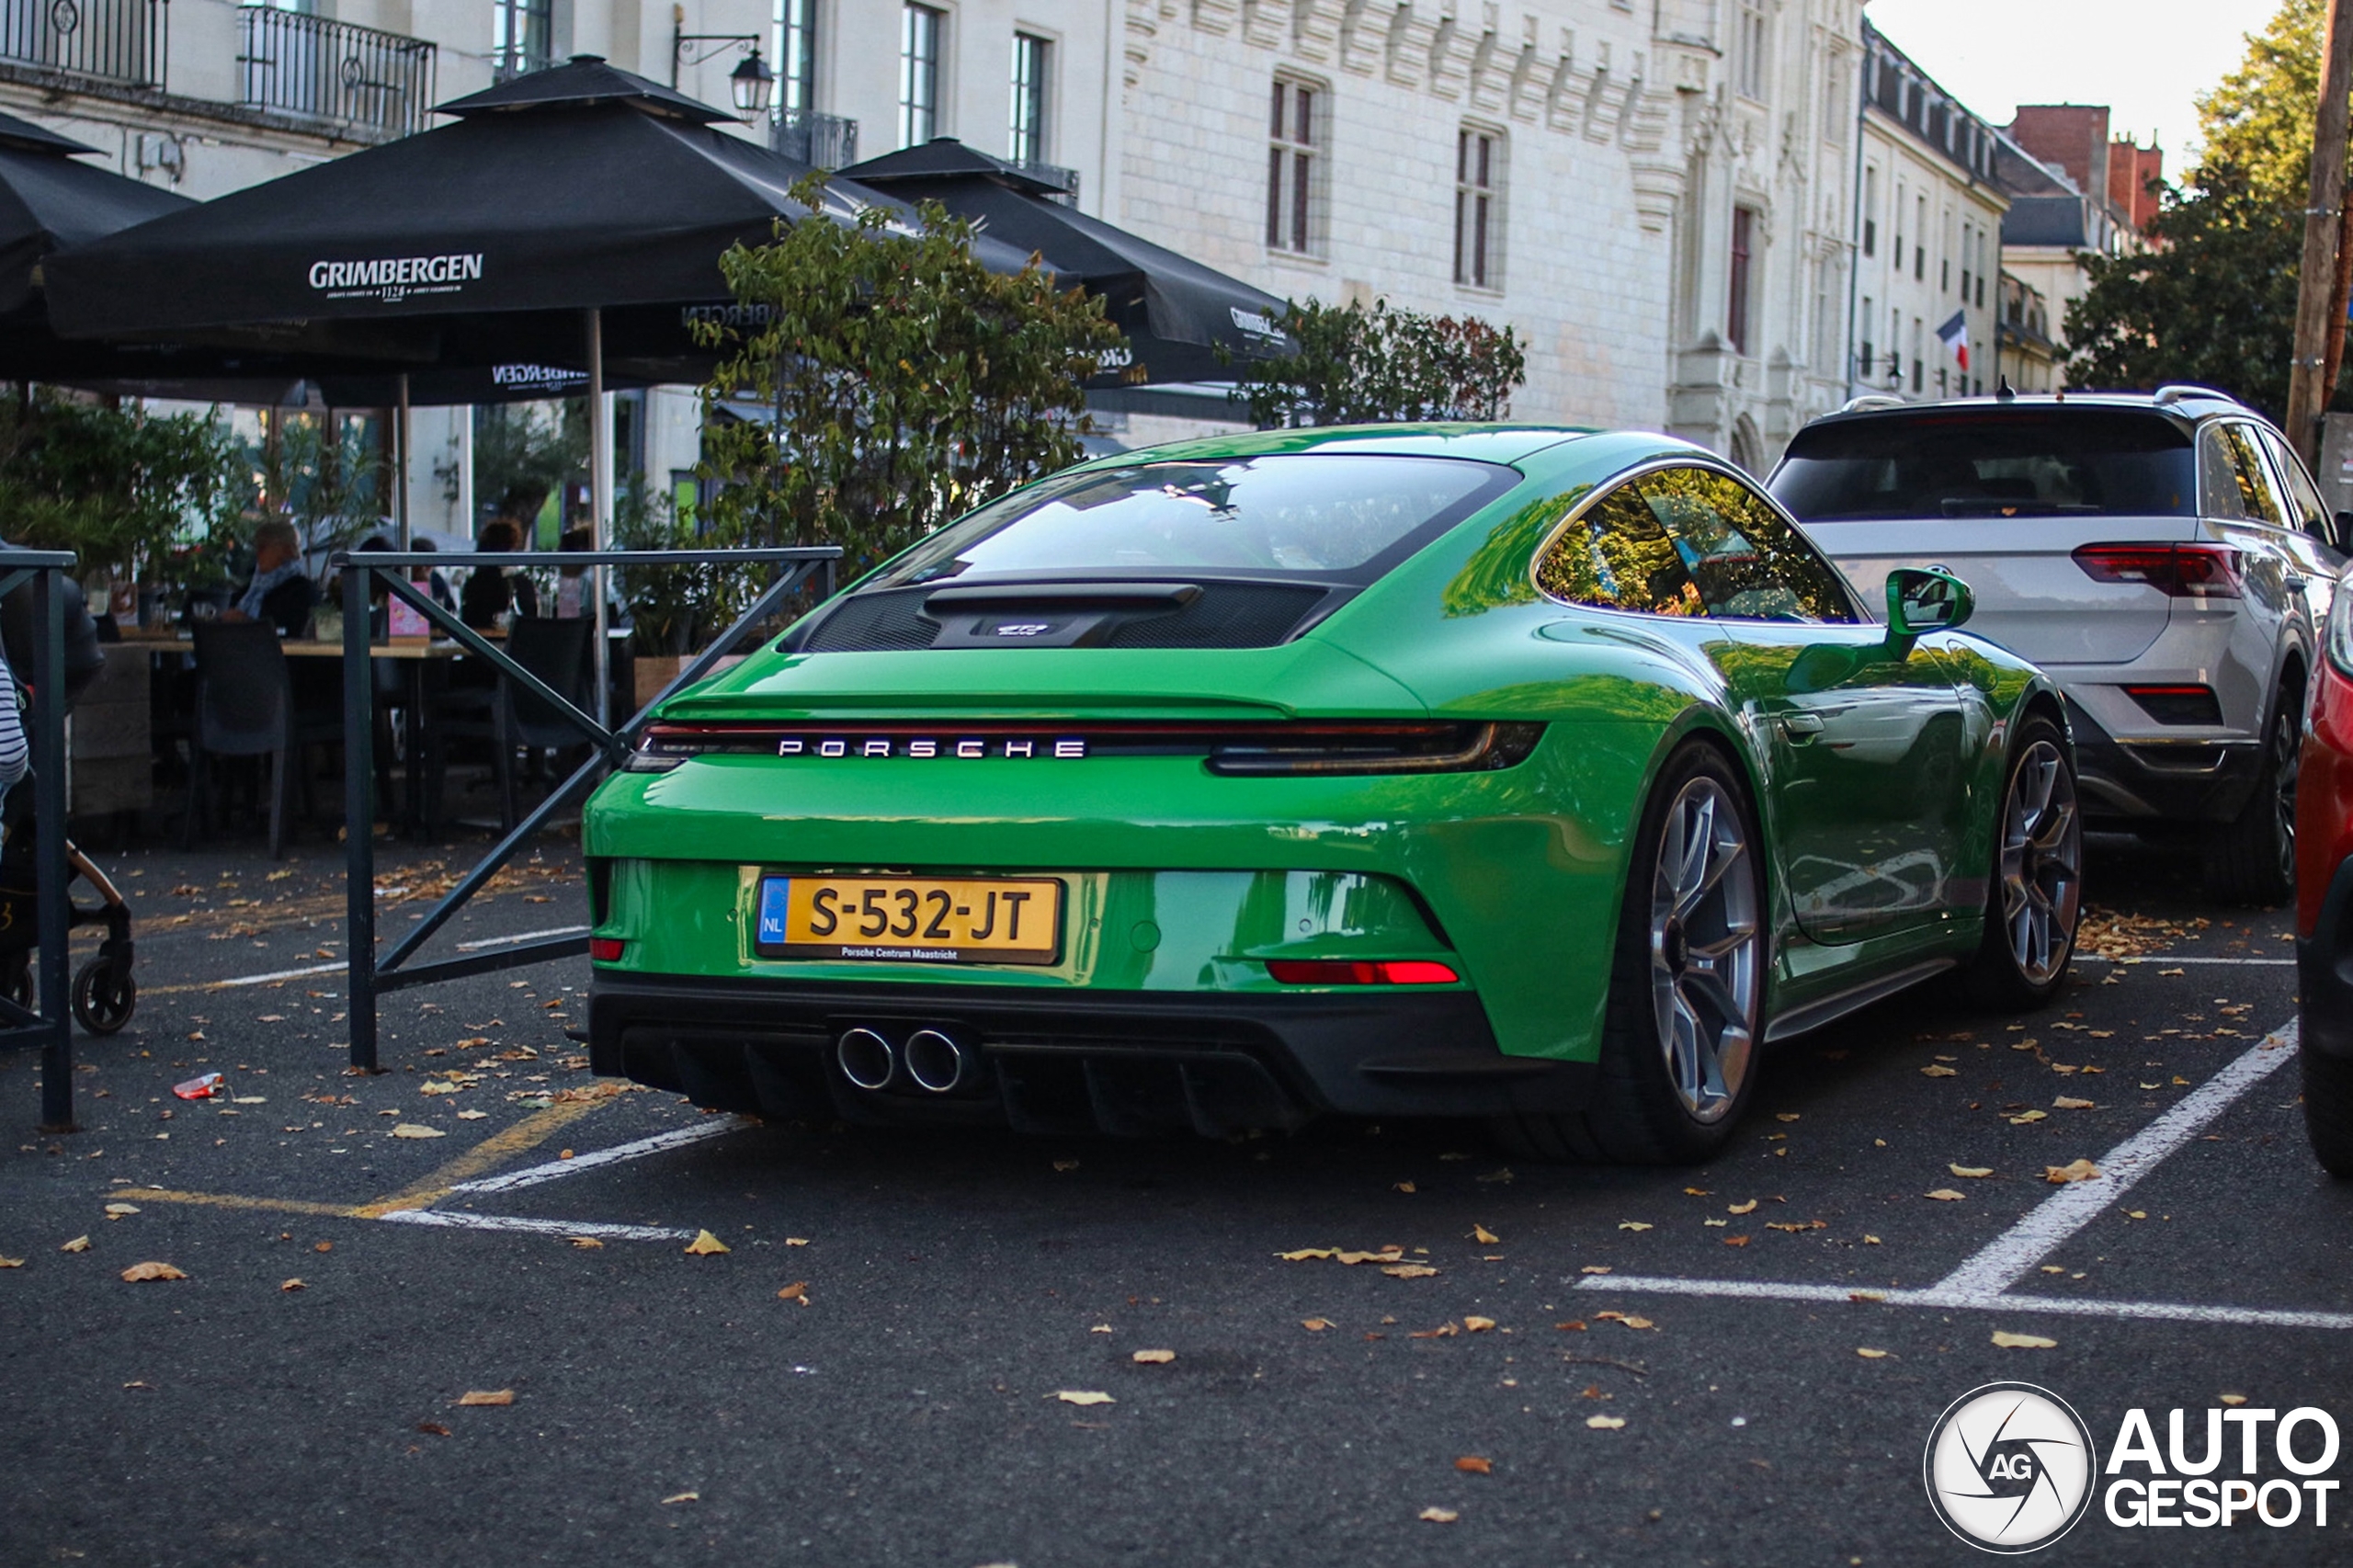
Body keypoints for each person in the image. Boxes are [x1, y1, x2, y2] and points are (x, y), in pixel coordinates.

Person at [222, 519, 315, 636]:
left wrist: (246, 621)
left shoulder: (300, 590)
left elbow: (291, 633)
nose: (258, 552)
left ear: (286, 550)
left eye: (263, 546)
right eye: (257, 547)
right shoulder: (250, 590)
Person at [460, 518, 539, 629]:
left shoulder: (476, 584)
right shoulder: (524, 583)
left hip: (480, 643)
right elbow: (532, 619)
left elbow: (467, 620)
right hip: (517, 643)